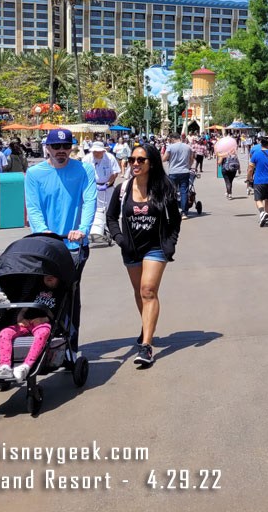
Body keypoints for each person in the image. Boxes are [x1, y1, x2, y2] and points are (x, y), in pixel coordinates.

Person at [106, 143, 181, 368]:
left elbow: (174, 221)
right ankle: (146, 327)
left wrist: (170, 245)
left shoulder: (164, 187)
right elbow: (110, 218)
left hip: (155, 247)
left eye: (141, 160)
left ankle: (146, 346)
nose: (135, 164)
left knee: (148, 290)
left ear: (152, 163)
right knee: (139, 293)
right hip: (131, 248)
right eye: (132, 160)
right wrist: (120, 240)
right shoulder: (123, 189)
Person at [25, 129, 97, 349]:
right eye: (56, 147)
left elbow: (90, 201)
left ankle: (70, 345)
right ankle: (41, 340)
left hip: (73, 244)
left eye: (66, 146)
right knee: (42, 293)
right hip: (44, 244)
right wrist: (42, 231)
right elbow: (33, 207)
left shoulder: (84, 169)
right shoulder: (35, 173)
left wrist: (82, 229)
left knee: (70, 294)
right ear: (48, 148)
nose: (61, 151)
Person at [0, 273, 62, 382]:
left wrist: (44, 319)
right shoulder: (37, 288)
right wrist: (20, 317)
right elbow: (25, 306)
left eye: (53, 275)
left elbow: (57, 313)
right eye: (46, 275)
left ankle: (26, 366)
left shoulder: (60, 292)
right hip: (27, 322)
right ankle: (5, 367)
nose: (49, 277)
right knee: (5, 332)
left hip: (42, 323)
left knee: (43, 333)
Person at [83, 141, 121, 243]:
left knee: (109, 212)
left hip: (107, 188)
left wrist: (107, 183)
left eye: (98, 151)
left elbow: (115, 173)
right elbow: (83, 173)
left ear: (103, 151)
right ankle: (90, 231)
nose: (96, 153)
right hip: (92, 187)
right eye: (94, 151)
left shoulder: (110, 158)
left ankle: (113, 233)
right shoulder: (87, 158)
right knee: (92, 210)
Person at [163, 133, 194, 219]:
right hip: (185, 172)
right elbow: (191, 159)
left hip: (173, 172)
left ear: (172, 139)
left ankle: (173, 211)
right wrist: (188, 166)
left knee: (172, 192)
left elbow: (164, 159)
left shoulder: (170, 147)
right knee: (184, 192)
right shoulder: (188, 147)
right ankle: (184, 212)